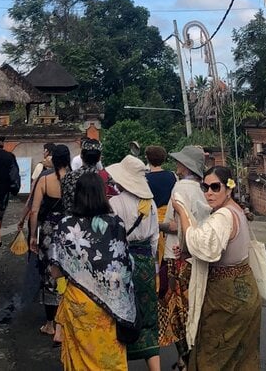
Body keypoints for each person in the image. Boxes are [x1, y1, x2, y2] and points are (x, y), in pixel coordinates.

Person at [172, 165, 262, 371]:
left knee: (211, 357)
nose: (209, 193)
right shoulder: (236, 210)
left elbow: (201, 245)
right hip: (243, 292)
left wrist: (182, 211)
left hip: (226, 296)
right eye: (205, 188)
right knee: (242, 359)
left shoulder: (224, 216)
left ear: (228, 189)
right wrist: (188, 253)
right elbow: (216, 249)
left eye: (215, 187)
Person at [49, 172, 135, 371]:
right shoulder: (116, 223)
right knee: (109, 356)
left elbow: (56, 272)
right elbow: (125, 265)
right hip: (112, 303)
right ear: (103, 193)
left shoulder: (66, 224)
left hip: (79, 301)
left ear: (77, 194)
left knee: (81, 359)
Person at [158, 146, 211, 370]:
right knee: (195, 306)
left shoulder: (179, 188)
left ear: (186, 166)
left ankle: (184, 357)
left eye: (180, 162)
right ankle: (196, 354)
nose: (177, 165)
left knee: (176, 310)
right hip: (197, 254)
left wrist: (155, 225)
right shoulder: (204, 189)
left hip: (177, 254)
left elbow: (173, 225)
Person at [106, 155, 161, 371]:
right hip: (146, 262)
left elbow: (111, 238)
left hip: (122, 264)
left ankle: (122, 364)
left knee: (122, 314)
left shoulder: (114, 203)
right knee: (148, 314)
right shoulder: (150, 203)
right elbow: (155, 237)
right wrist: (153, 267)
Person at [29, 143, 70, 335]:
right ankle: (66, 321)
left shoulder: (44, 180)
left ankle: (50, 324)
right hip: (69, 230)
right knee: (68, 272)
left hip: (48, 230)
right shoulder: (75, 180)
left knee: (49, 273)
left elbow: (34, 210)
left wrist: (32, 235)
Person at [61, 137, 116, 211]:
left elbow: (65, 203)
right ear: (99, 158)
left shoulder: (68, 177)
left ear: (81, 155)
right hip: (98, 217)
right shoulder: (106, 177)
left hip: (74, 216)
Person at [145, 145, 176, 268]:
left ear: (147, 158)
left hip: (152, 218)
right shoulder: (172, 176)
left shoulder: (145, 179)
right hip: (169, 218)